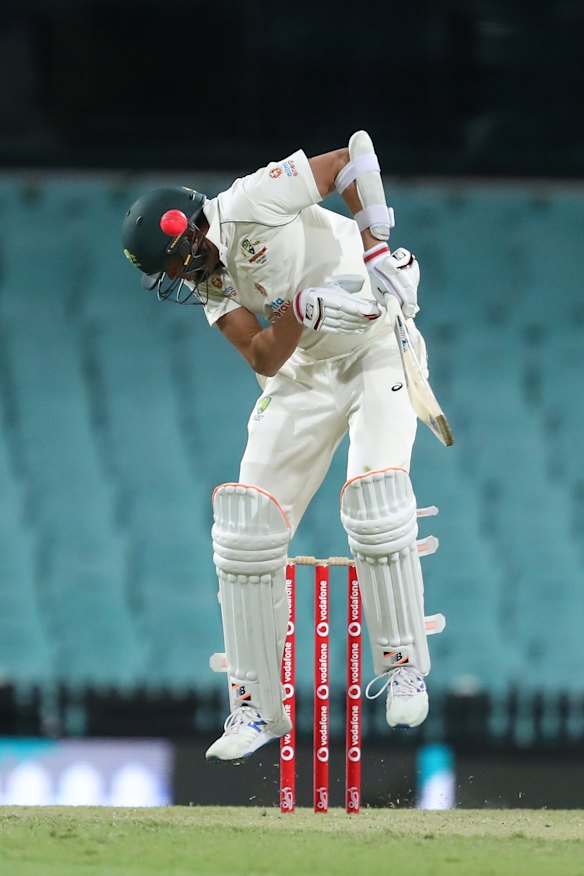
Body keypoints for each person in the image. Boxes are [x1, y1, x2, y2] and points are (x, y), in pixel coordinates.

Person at [121, 131, 441, 763]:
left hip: (376, 345)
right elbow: (264, 353)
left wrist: (375, 248)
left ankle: (404, 665)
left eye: (178, 262)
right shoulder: (212, 284)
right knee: (245, 528)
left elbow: (353, 156)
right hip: (304, 373)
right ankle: (255, 708)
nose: (184, 278)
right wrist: (300, 310)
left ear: (191, 230)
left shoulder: (248, 203)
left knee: (375, 502)